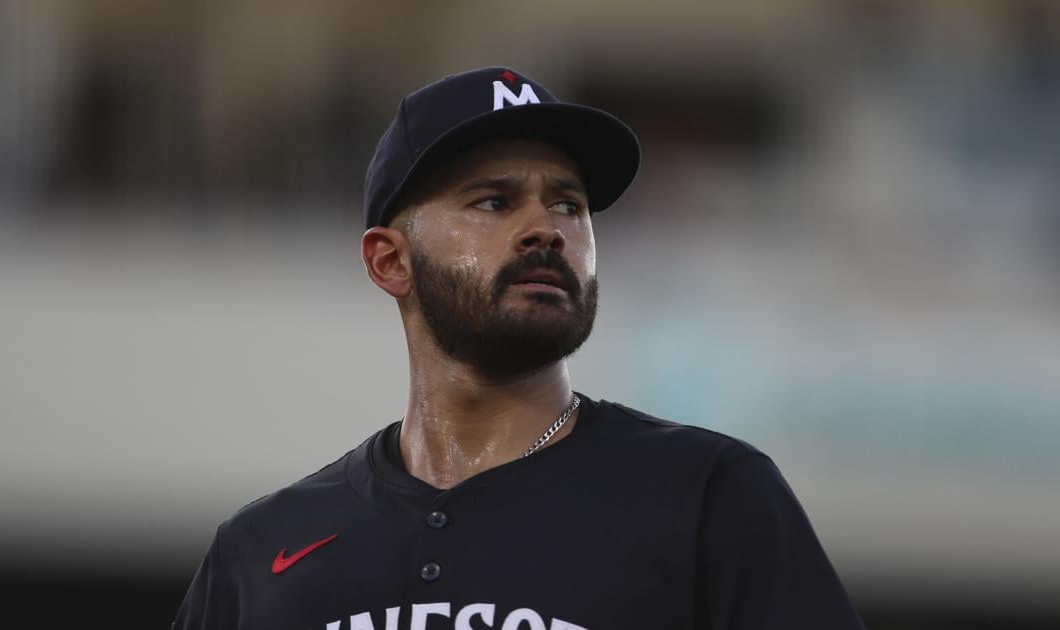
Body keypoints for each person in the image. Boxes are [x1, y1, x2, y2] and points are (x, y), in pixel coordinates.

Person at [174, 66, 866, 630]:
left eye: (568, 204)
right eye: (493, 202)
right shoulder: (262, 551)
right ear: (390, 261)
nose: (547, 229)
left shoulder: (708, 496)